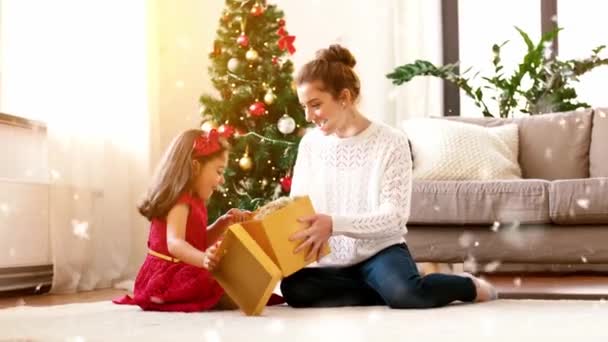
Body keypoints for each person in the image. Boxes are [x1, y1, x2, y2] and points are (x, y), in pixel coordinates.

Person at [281, 44, 497, 308]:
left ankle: (468, 285)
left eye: (315, 105)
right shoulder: (310, 145)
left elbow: (394, 219)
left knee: (408, 295)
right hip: (331, 262)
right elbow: (297, 207)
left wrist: (334, 224)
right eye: (304, 106)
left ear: (344, 97)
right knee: (293, 289)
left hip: (379, 251)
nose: (308, 116)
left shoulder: (390, 141)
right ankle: (387, 290)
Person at [113, 129, 252, 312]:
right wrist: (203, 259)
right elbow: (175, 243)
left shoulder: (195, 200)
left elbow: (197, 241)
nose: (221, 180)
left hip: (181, 269)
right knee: (231, 288)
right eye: (219, 171)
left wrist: (222, 223)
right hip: (168, 278)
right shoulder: (180, 200)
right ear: (195, 167)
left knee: (234, 284)